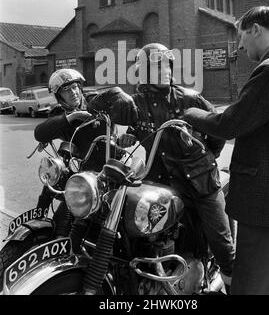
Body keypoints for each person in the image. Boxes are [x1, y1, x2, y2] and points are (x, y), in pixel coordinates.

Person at [88, 43, 235, 289]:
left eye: (167, 65)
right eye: (158, 66)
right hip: (160, 182)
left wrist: (206, 158)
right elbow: (136, 127)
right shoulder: (137, 103)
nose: (165, 70)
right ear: (143, 71)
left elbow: (218, 129)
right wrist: (130, 136)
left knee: (222, 245)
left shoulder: (189, 98)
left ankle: (232, 282)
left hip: (198, 182)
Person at [183, 6, 269, 295]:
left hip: (266, 205)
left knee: (251, 288)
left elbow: (230, 123)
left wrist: (191, 113)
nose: (241, 45)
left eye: (242, 36)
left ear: (255, 29)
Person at [34, 68, 118, 235]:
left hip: (105, 170)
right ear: (59, 97)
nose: (73, 93)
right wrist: (71, 118)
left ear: (80, 88)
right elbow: (40, 132)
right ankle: (38, 220)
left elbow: (115, 102)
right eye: (66, 90)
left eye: (75, 87)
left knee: (107, 219)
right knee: (52, 183)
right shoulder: (61, 113)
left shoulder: (95, 104)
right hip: (79, 171)